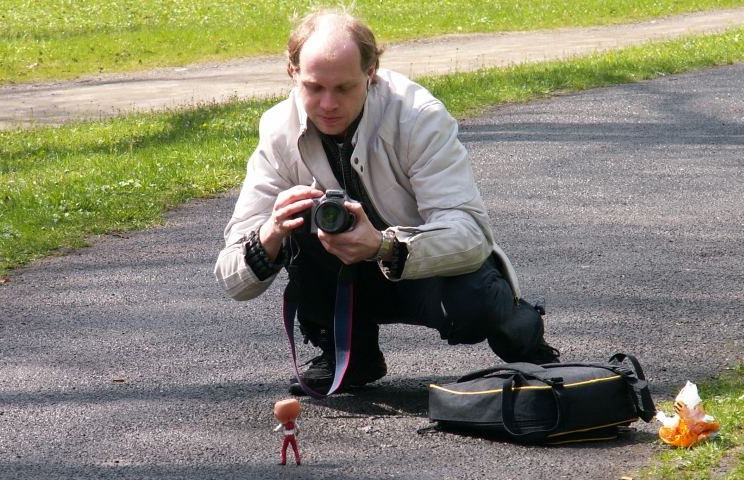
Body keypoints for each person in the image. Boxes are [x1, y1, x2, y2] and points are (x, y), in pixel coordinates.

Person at [214, 8, 559, 396]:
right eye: (314, 87)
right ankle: (350, 354)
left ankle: (520, 328)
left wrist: (384, 246)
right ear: (292, 72)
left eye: (343, 88)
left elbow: (471, 234)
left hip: (425, 275)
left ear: (371, 70)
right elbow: (232, 279)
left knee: (475, 305)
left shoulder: (417, 116)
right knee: (295, 233)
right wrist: (272, 232)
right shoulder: (277, 130)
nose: (328, 104)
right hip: (343, 280)